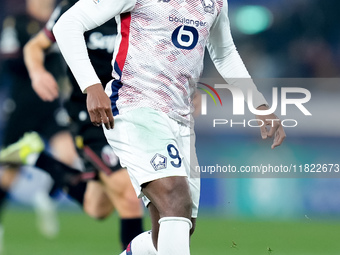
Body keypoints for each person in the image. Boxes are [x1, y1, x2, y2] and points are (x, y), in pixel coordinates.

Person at [53, 0, 286, 254]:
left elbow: (224, 52)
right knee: (175, 199)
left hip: (181, 118)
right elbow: (67, 24)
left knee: (176, 227)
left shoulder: (216, 2)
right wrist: (92, 85)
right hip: (136, 105)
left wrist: (258, 103)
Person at [0, 0, 144, 249]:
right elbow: (35, 46)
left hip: (130, 115)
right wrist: (37, 73)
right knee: (130, 199)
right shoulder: (73, 7)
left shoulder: (138, 8)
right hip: (90, 116)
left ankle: (37, 157)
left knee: (97, 207)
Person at [0, 0, 77, 239]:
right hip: (23, 106)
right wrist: (36, 61)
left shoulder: (61, 21)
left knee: (68, 156)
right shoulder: (18, 23)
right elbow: (8, 61)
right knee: (11, 170)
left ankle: (47, 197)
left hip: (51, 106)